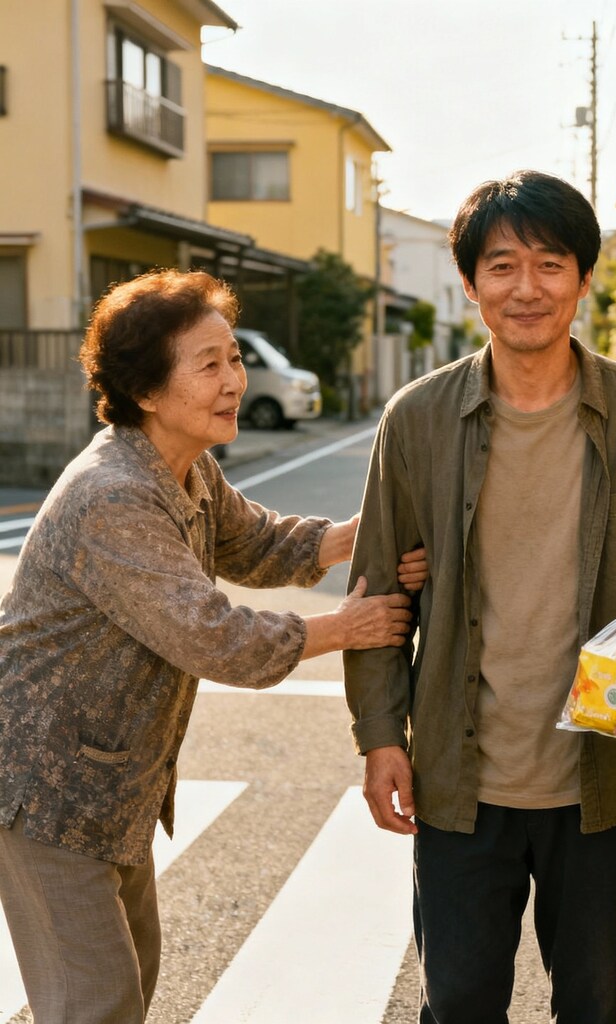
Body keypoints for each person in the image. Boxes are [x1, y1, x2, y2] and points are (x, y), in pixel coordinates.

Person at [343, 169, 616, 1024]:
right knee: (459, 1001)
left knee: (598, 1003)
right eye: (502, 266)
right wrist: (379, 736)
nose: (527, 288)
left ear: (583, 280)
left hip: (606, 774)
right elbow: (377, 594)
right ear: (470, 284)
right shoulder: (418, 419)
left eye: (550, 264)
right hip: (458, 775)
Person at [0, 268, 420, 1024]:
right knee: (97, 1004)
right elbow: (212, 636)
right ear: (146, 390)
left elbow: (254, 544)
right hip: (43, 789)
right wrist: (343, 627)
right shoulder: (113, 493)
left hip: (108, 784)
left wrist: (365, 536)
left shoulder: (184, 465)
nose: (234, 380)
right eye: (209, 364)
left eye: (234, 358)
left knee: (123, 985)